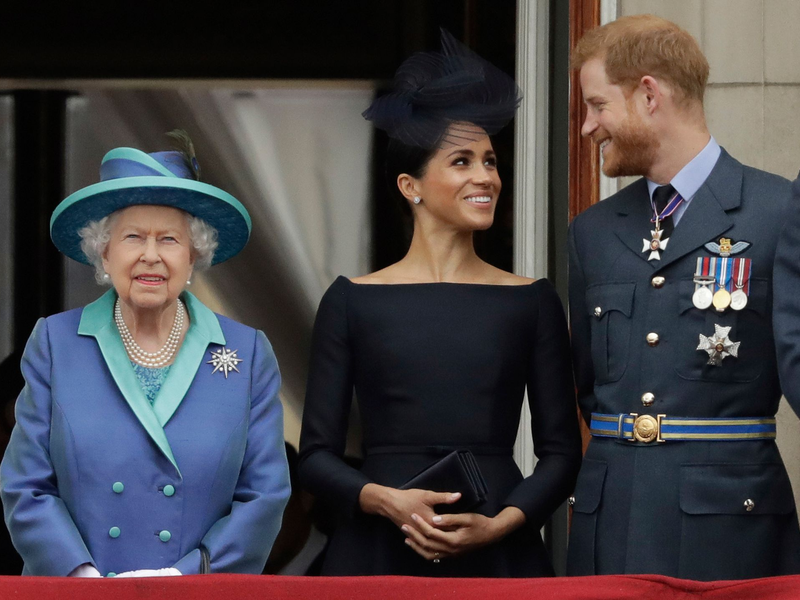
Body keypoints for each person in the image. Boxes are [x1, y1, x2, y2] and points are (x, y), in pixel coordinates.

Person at [298, 30, 582, 577]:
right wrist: (385, 500)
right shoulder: (350, 301)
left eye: (491, 161)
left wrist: (501, 523)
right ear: (411, 185)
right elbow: (315, 457)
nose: (486, 177)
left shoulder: (532, 301)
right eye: (461, 161)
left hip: (499, 548)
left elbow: (562, 454)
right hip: (377, 550)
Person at [567, 15, 800, 580]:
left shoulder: (777, 211)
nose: (587, 128)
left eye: (597, 106)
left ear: (648, 95)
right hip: (611, 522)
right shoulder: (592, 232)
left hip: (729, 530)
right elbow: (587, 389)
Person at [0, 133, 291, 577]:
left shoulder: (247, 353)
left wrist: (184, 576)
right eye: (133, 237)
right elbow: (27, 486)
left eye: (170, 239)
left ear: (194, 255)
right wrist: (82, 577)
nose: (151, 256)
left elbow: (265, 495)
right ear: (104, 251)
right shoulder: (55, 344)